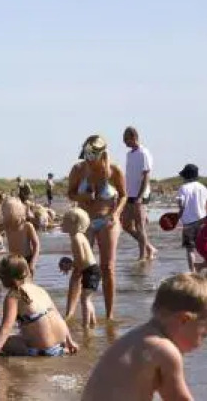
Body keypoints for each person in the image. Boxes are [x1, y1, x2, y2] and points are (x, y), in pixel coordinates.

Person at [81, 273, 207, 401]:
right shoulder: (165, 350)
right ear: (184, 320)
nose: (200, 344)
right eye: (203, 335)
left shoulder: (135, 338)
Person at [67, 135, 127, 320]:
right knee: (79, 266)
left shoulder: (114, 170)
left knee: (107, 267)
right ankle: (69, 314)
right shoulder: (78, 170)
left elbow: (124, 195)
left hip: (107, 221)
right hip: (84, 222)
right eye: (86, 155)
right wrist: (83, 197)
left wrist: (116, 214)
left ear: (102, 154)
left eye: (92, 156)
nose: (88, 159)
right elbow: (70, 193)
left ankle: (110, 315)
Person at [0, 255, 79, 358]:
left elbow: (6, 327)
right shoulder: (39, 289)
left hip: (44, 350)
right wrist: (70, 342)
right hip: (60, 344)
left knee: (7, 342)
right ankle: (59, 349)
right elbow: (58, 316)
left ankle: (37, 351)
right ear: (25, 272)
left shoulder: (14, 295)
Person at [121, 126, 157, 261]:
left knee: (139, 226)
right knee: (126, 225)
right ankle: (149, 247)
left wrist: (140, 196)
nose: (125, 142)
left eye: (126, 139)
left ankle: (143, 256)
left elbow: (146, 175)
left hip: (141, 195)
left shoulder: (144, 153)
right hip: (129, 193)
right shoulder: (129, 154)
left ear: (134, 137)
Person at [60, 207, 100, 328]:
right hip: (92, 270)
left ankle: (85, 325)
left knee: (84, 299)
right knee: (87, 298)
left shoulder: (76, 238)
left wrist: (69, 265)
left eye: (65, 221)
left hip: (90, 271)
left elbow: (81, 259)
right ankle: (92, 322)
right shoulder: (79, 236)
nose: (62, 224)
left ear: (74, 224)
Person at [176, 164, 207, 272]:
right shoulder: (203, 187)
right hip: (203, 221)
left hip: (189, 223)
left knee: (190, 249)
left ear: (186, 176)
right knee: (204, 247)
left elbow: (181, 205)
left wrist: (177, 217)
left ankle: (192, 271)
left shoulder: (183, 188)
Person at [0, 197, 40, 275]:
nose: (9, 222)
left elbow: (36, 245)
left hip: (27, 259)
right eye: (7, 217)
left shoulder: (27, 226)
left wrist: (33, 262)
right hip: (12, 260)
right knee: (11, 280)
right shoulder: (6, 225)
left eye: (11, 217)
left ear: (19, 213)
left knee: (27, 281)